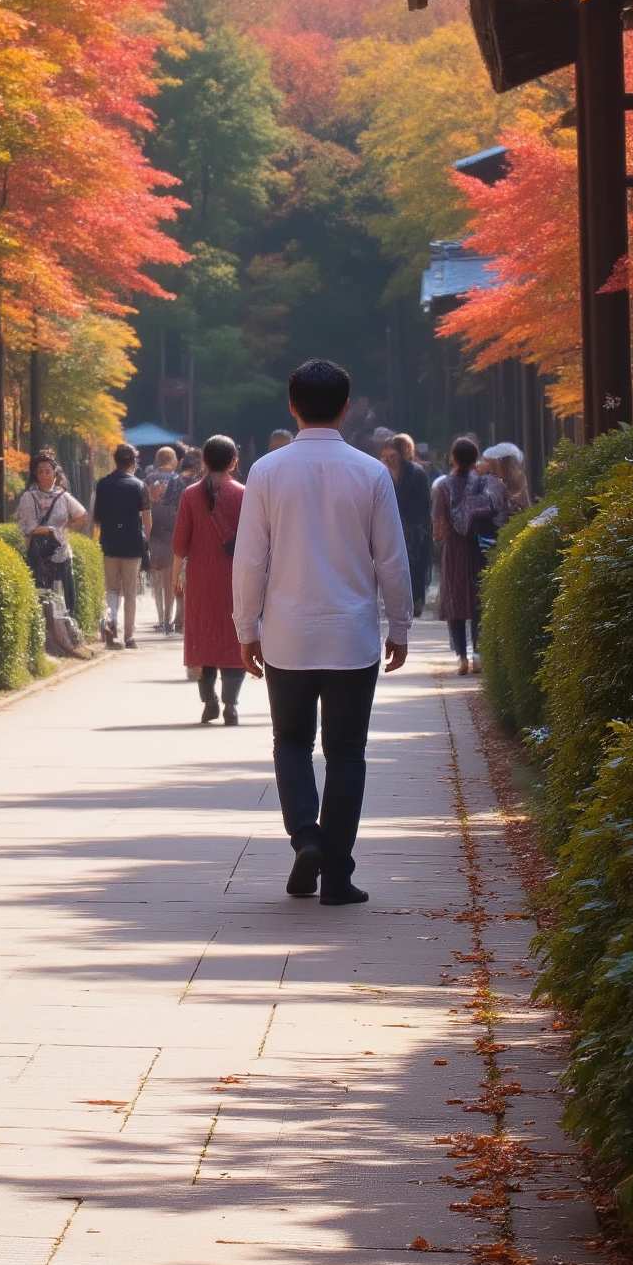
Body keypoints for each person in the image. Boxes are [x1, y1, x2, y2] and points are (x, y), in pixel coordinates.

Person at [231, 357, 413, 908]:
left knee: (290, 742)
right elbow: (393, 560)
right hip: (351, 633)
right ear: (346, 408)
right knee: (347, 753)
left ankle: (305, 837)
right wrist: (399, 625)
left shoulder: (265, 472)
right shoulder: (371, 473)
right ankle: (337, 874)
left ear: (292, 407)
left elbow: (249, 561)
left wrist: (246, 626)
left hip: (287, 631)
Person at [173, 436, 247, 724]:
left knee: (203, 638)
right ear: (234, 462)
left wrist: (175, 577)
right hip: (235, 580)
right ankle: (231, 703)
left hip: (201, 579)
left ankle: (209, 701)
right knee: (233, 639)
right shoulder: (244, 494)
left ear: (203, 460)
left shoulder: (190, 495)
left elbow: (180, 542)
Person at [432, 436, 507, 674]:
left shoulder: (443, 487)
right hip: (480, 546)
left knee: (455, 600)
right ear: (476, 459)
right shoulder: (485, 484)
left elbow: (438, 526)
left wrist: (441, 536)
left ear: (452, 458)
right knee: (478, 599)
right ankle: (478, 653)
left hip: (454, 549)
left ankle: (462, 658)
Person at [16, 453, 87, 621]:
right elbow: (26, 527)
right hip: (39, 554)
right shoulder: (29, 497)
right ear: (35, 474)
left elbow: (82, 515)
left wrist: (64, 528)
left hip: (61, 552)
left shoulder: (63, 496)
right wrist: (46, 530)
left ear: (55, 474)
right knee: (42, 595)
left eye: (47, 471)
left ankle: (66, 629)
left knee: (65, 595)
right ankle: (45, 630)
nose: (44, 475)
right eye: (40, 472)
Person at [92, 442, 148, 647]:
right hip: (132, 544)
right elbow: (147, 516)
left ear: (115, 461)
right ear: (133, 462)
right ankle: (129, 636)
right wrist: (149, 539)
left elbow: (96, 517)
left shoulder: (103, 484)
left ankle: (112, 626)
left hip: (109, 543)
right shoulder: (139, 486)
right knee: (130, 592)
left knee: (112, 589)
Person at [385, 433, 434, 617]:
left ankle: (416, 600)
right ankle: (408, 600)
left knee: (416, 567)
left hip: (415, 527)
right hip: (401, 526)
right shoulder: (388, 472)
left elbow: (404, 499)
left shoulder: (414, 471)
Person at [146, 449, 182, 632]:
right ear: (173, 460)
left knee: (157, 579)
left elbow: (145, 508)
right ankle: (168, 618)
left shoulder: (149, 479)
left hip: (155, 532)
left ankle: (160, 617)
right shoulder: (178, 480)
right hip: (173, 532)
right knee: (170, 580)